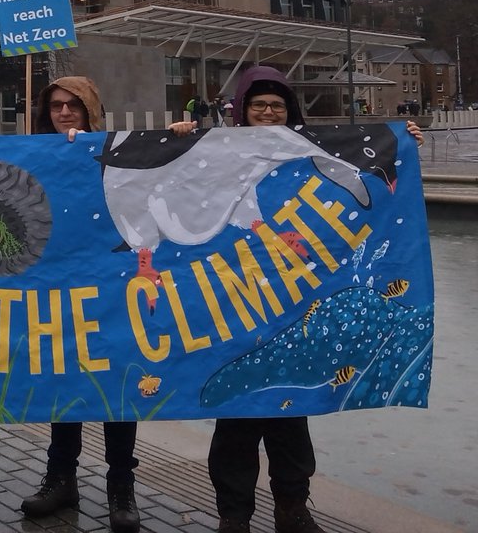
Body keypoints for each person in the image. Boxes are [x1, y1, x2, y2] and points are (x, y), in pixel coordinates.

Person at [168, 66, 423, 533]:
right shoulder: (213, 150)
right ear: (241, 109)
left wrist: (401, 140)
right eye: (258, 104)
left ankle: (292, 507)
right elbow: (172, 180)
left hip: (293, 302)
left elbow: (362, 168)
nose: (267, 112)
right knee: (236, 422)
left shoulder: (310, 151)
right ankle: (234, 515)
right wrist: (171, 137)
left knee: (289, 416)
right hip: (235, 305)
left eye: (277, 106)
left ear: (291, 111)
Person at [19, 76, 141, 533]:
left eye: (73, 105)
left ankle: (121, 484)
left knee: (117, 388)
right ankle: (61, 476)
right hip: (57, 288)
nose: (64, 112)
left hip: (110, 288)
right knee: (62, 384)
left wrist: (182, 133)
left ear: (91, 108)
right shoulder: (35, 154)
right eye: (55, 106)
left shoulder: (116, 150)